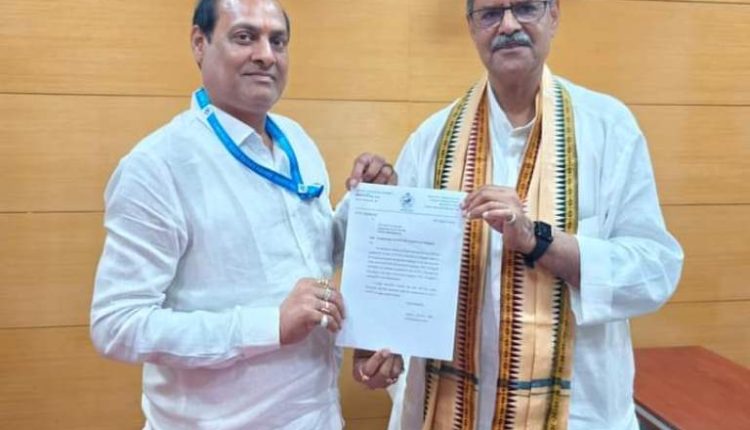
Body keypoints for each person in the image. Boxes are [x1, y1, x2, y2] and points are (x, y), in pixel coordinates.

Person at [352, 1, 684, 429]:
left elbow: (656, 271)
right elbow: (403, 275)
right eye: (490, 13)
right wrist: (378, 348)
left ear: (554, 15)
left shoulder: (608, 128)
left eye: (525, 7)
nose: (508, 24)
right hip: (450, 409)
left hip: (576, 411)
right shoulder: (432, 139)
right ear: (472, 27)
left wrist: (540, 241)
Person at [89, 0, 394, 429]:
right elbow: (116, 325)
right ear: (200, 43)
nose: (266, 55)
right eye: (245, 37)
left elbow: (316, 253)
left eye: (278, 41)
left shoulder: (296, 141)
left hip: (319, 416)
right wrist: (269, 326)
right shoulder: (158, 166)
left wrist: (368, 203)